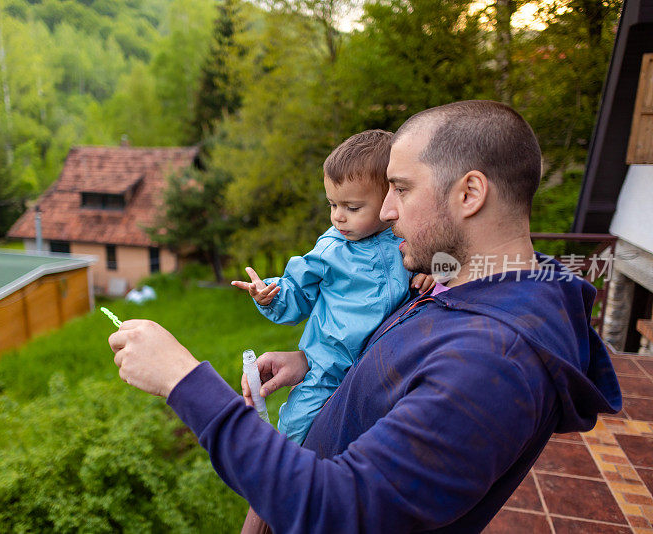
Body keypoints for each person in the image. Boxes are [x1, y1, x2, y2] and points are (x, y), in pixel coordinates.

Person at [109, 100, 621, 533]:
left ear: (469, 193)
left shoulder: (493, 362)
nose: (388, 210)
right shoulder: (472, 286)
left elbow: (337, 510)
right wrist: (315, 363)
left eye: (401, 188)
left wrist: (183, 380)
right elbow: (407, 361)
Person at [231, 129, 433, 444]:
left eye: (352, 208)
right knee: (297, 426)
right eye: (332, 204)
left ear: (389, 198)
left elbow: (453, 259)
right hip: (329, 361)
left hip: (388, 358)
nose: (338, 217)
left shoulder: (410, 238)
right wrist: (270, 295)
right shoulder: (331, 249)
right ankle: (288, 471)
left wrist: (438, 271)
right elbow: (297, 291)